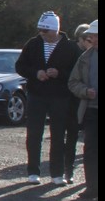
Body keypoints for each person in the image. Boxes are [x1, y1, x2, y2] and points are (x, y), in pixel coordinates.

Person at [15, 11, 81, 185]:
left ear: (55, 30)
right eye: (40, 31)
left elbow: (77, 73)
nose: (42, 34)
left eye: (45, 31)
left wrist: (60, 73)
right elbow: (20, 66)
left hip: (60, 96)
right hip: (37, 94)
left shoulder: (71, 47)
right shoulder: (33, 44)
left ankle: (57, 174)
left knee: (58, 135)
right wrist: (36, 73)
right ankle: (33, 171)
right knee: (34, 133)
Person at [67, 20, 98, 199]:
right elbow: (72, 82)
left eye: (95, 36)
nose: (92, 39)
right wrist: (85, 91)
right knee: (91, 150)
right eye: (91, 36)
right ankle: (92, 188)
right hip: (92, 111)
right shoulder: (85, 57)